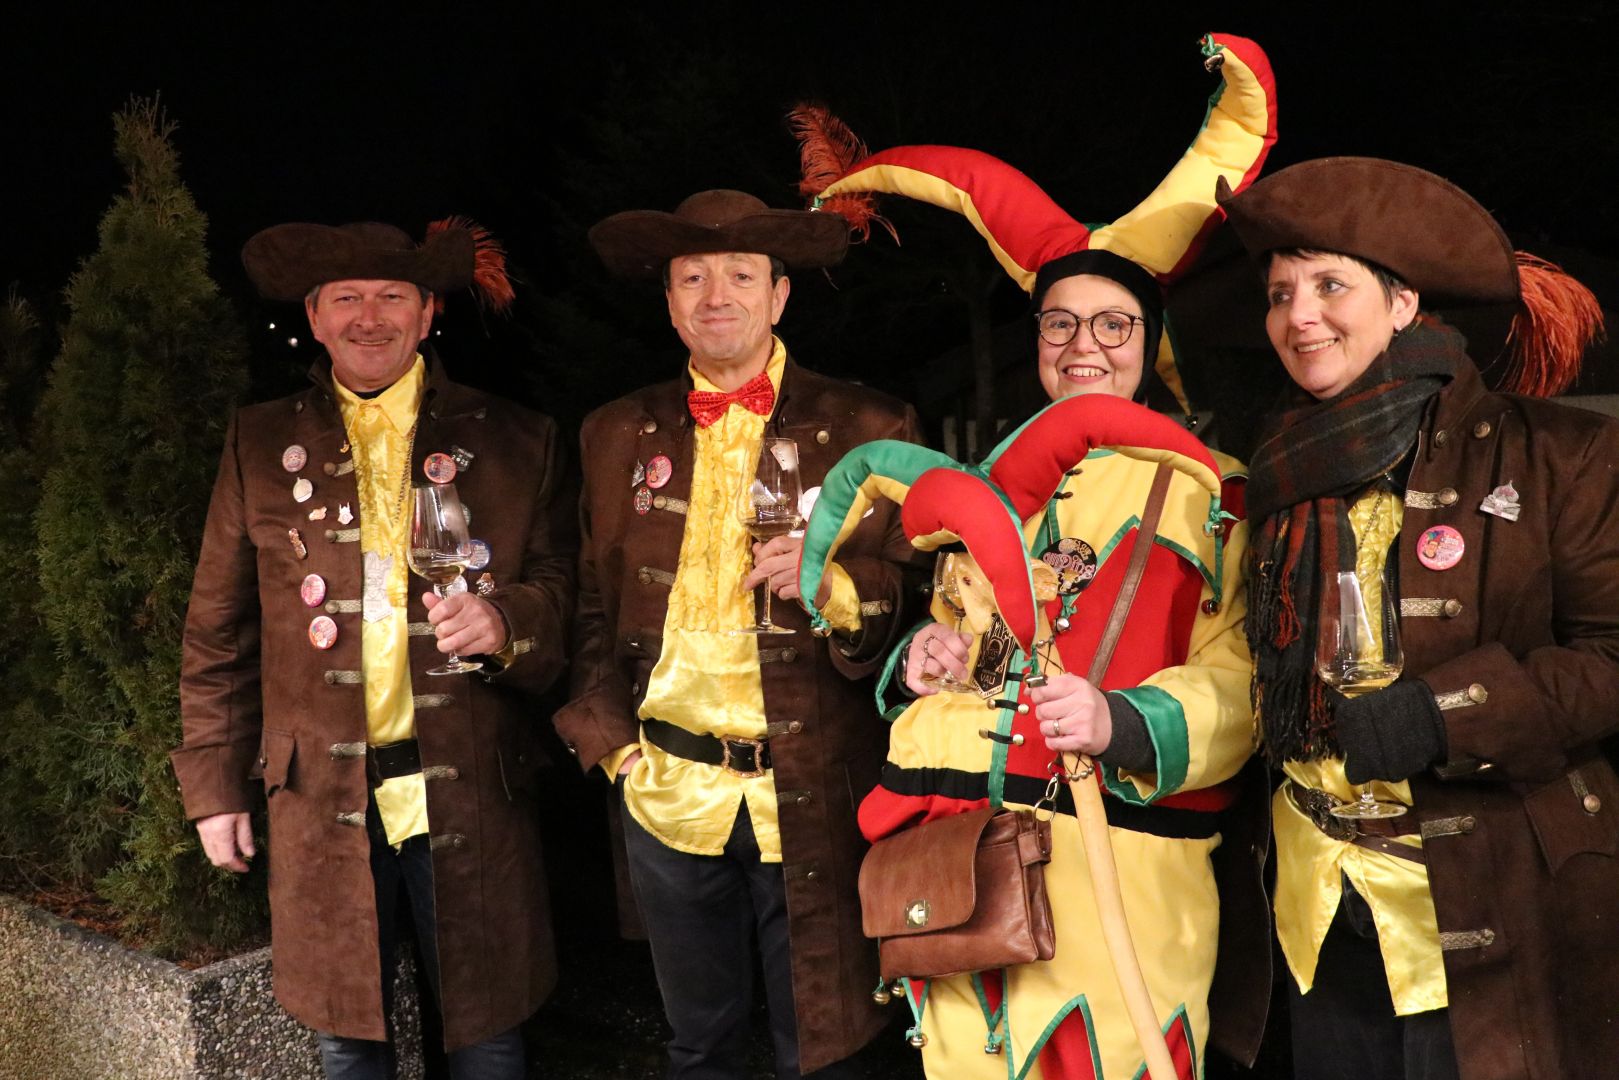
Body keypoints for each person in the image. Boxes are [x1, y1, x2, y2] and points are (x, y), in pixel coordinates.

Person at [793, 32, 1276, 1080]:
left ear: (1150, 344)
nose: (1081, 347)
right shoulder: (991, 481)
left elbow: (1245, 676)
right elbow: (962, 639)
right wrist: (920, 661)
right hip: (962, 869)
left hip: (1118, 881)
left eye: (1112, 325)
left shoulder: (1213, 489)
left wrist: (1123, 720)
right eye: (1058, 324)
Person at [1219, 156, 1619, 1080]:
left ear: (1402, 304)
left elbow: (1610, 656)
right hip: (1317, 903)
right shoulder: (1271, 474)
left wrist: (1441, 715)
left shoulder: (1562, 452)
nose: (1298, 315)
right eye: (1279, 293)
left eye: (1329, 285)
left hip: (1498, 896)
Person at [172, 220, 575, 1079]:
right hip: (319, 796)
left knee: (488, 1036)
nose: (370, 316)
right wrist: (214, 789)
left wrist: (508, 623)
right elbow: (218, 631)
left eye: (392, 296)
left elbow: (563, 595)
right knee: (347, 1038)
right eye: (346, 297)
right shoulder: (257, 441)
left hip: (473, 792)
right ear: (314, 318)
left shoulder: (516, 436)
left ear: (428, 313)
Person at [556, 188, 924, 1079]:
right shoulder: (613, 432)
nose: (715, 295)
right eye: (693, 277)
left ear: (779, 295)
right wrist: (614, 750)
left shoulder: (871, 425)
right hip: (666, 790)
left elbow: (920, 601)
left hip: (817, 790)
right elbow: (590, 605)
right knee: (699, 1048)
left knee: (825, 1048)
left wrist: (838, 589)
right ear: (669, 301)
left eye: (740, 275)